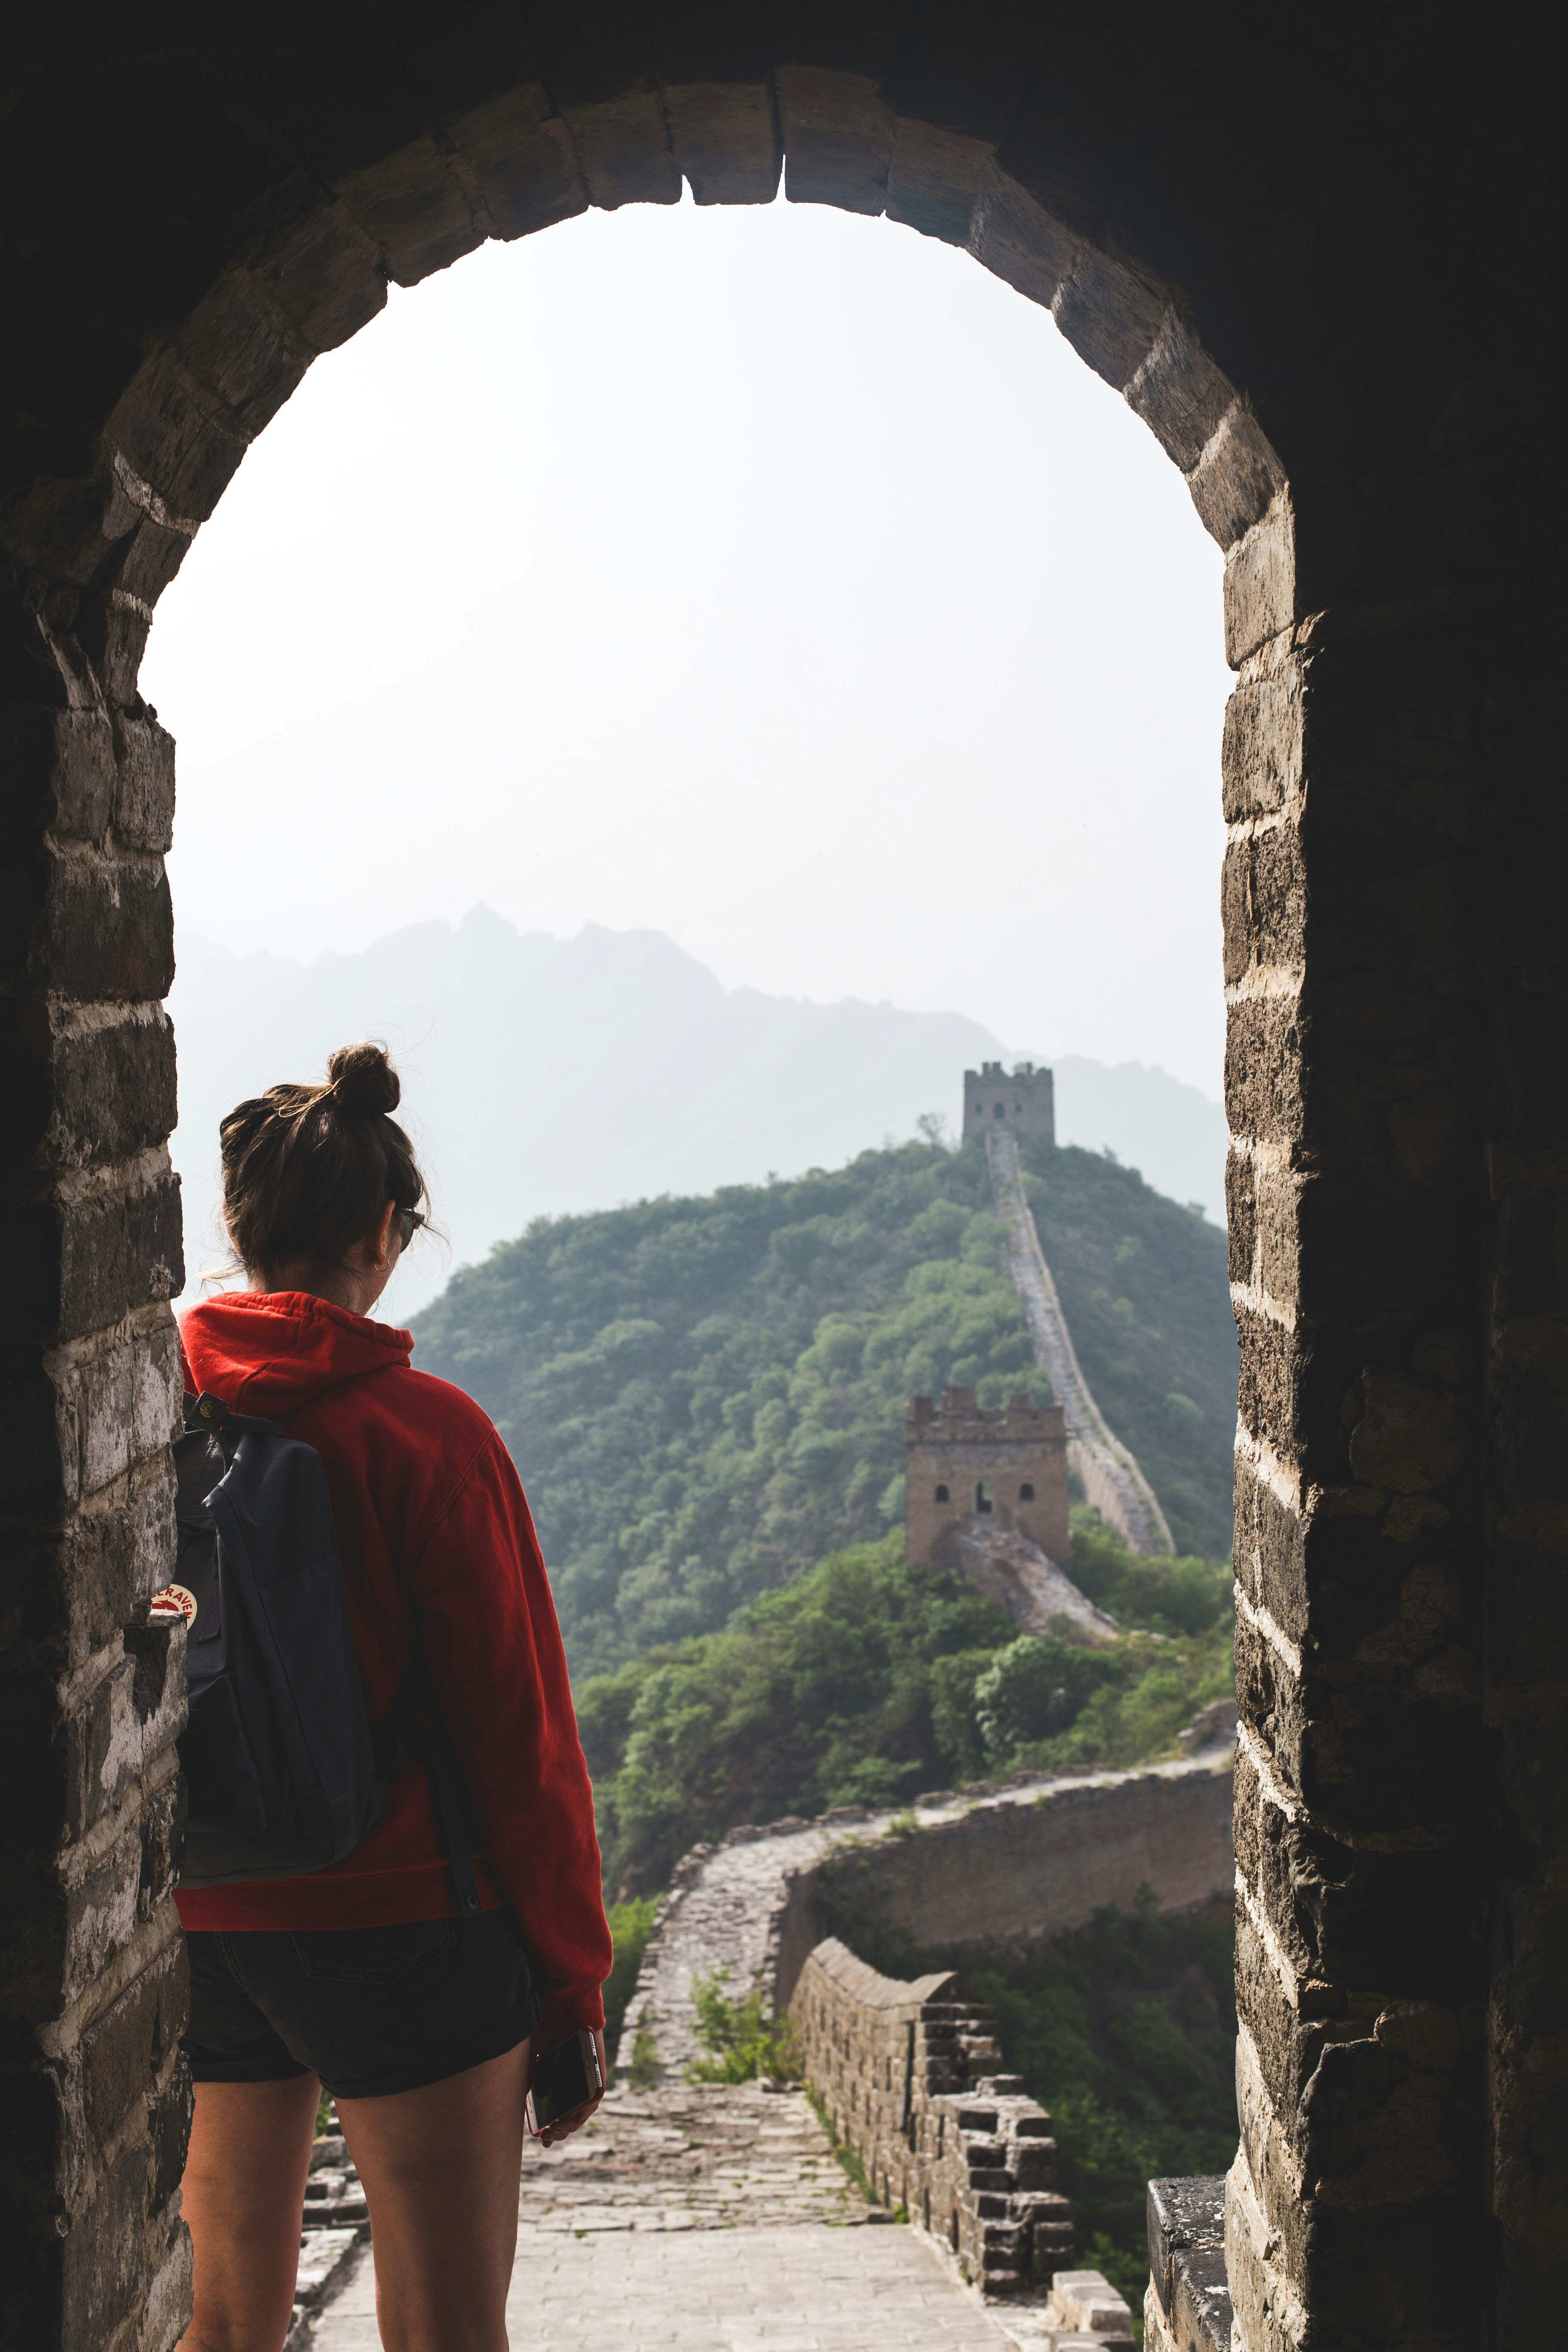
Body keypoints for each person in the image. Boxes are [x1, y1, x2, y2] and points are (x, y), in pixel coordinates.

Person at [172, 1043, 612, 2352]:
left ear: (240, 1231)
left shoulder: (154, 1414)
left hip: (203, 1916)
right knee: (444, 2328)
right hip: (408, 1921)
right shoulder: (430, 1436)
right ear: (383, 1230)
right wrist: (572, 1982)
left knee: (222, 2317)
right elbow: (518, 1739)